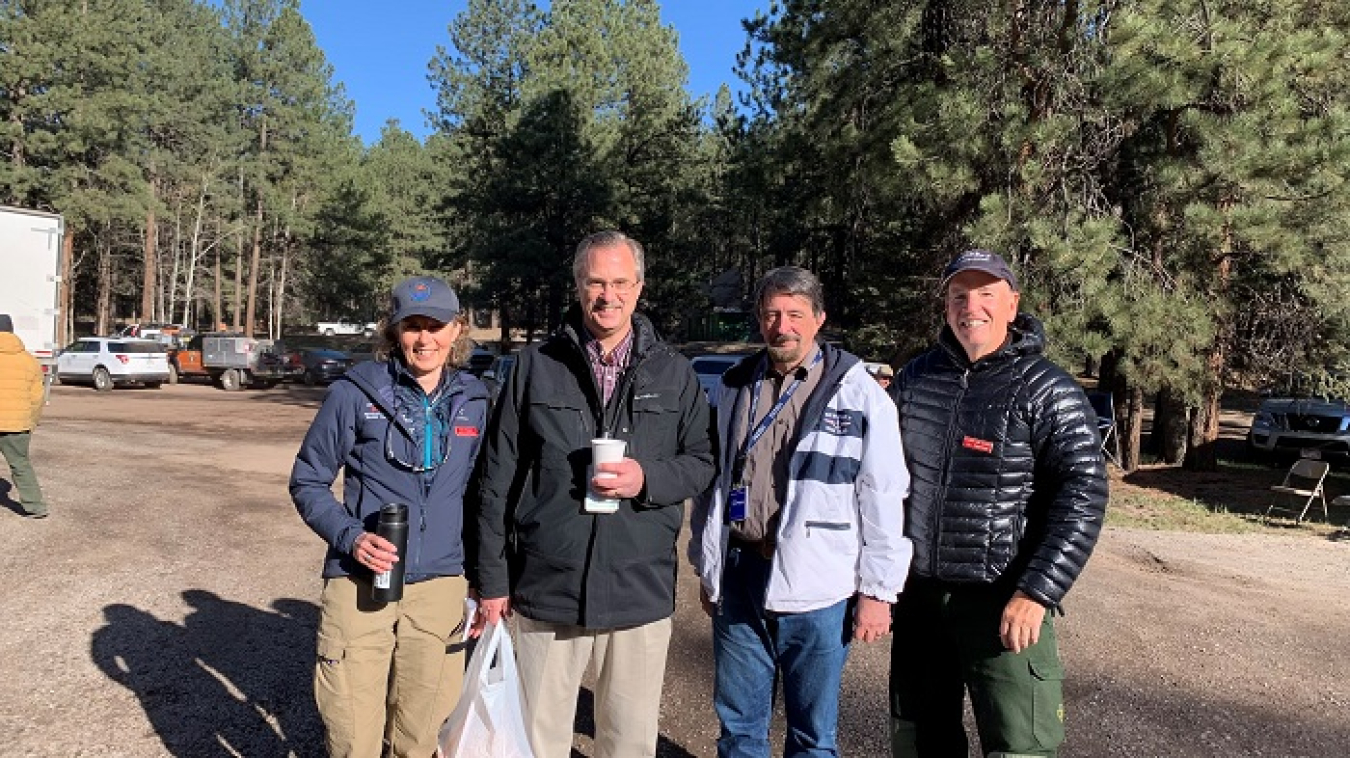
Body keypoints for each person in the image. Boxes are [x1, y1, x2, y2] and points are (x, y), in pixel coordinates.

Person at [473, 230, 714, 758]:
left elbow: (702, 462)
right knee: (537, 741)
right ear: (578, 286)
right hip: (548, 590)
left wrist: (646, 478)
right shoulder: (536, 367)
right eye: (596, 282)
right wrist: (492, 582)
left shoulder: (674, 372)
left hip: (638, 593)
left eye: (620, 282)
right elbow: (496, 479)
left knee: (628, 744)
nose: (608, 295)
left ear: (640, 287)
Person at [887, 249, 1108, 757]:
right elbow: (879, 485)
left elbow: (1083, 495)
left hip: (1004, 604)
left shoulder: (1048, 390)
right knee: (918, 739)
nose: (972, 307)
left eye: (987, 295)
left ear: (1012, 305)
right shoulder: (914, 382)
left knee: (1019, 747)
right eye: (959, 296)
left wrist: (1038, 591)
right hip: (919, 601)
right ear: (946, 307)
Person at [691, 266, 912, 758]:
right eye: (771, 314)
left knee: (813, 735)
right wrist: (707, 568)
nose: (781, 325)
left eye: (794, 314)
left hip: (820, 584)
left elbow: (883, 492)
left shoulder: (857, 392)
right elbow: (713, 482)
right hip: (741, 572)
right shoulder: (732, 385)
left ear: (818, 319)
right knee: (739, 728)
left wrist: (878, 591)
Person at [290, 276, 489, 758]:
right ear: (393, 332)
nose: (425, 339)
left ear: (457, 329)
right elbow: (307, 480)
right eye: (412, 327)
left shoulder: (477, 399)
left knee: (419, 737)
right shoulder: (355, 393)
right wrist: (351, 537)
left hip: (440, 586)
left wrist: (486, 580)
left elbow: (482, 495)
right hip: (360, 581)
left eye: (436, 326)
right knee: (352, 735)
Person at [0, 314, 48, 519]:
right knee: (20, 464)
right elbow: (37, 398)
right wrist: (32, 421)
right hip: (17, 425)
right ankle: (35, 507)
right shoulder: (29, 360)